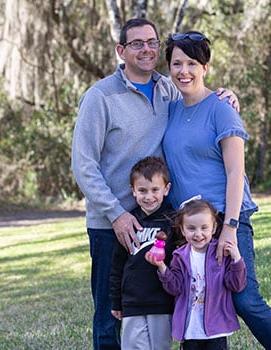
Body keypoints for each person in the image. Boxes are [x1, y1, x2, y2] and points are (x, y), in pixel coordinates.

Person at [71, 18, 238, 349]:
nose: (146, 49)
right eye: (137, 43)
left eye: (152, 42)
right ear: (121, 51)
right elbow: (83, 164)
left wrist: (226, 96)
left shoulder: (168, 88)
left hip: (160, 221)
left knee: (166, 307)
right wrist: (116, 214)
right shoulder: (100, 97)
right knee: (110, 313)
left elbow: (198, 98)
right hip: (111, 225)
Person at [161, 31, 271, 349]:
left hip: (225, 218)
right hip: (189, 225)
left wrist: (231, 228)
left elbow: (237, 172)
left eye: (192, 63)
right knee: (193, 297)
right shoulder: (171, 110)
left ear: (205, 67)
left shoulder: (222, 108)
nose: (184, 71)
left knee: (245, 299)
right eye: (177, 63)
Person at [145, 198, 247, 349]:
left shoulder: (221, 254)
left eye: (204, 228)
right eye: (191, 228)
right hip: (190, 329)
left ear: (213, 228)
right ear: (182, 229)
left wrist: (237, 259)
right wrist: (162, 267)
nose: (198, 234)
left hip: (216, 329)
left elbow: (236, 285)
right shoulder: (179, 256)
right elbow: (175, 288)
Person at [109, 156, 177, 350]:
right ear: (133, 191)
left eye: (155, 190)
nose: (149, 196)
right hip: (133, 302)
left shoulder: (173, 222)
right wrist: (116, 301)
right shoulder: (129, 223)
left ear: (166, 189)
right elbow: (117, 265)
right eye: (142, 191)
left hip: (162, 302)